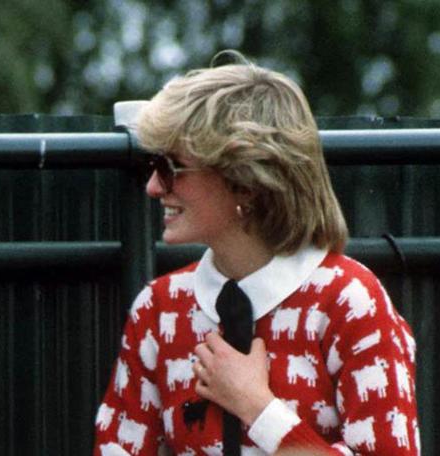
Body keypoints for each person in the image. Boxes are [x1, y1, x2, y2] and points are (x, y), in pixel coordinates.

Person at [94, 52, 420, 455]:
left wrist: (257, 408)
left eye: (172, 167)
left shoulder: (349, 303)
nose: (153, 188)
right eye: (152, 165)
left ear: (245, 182)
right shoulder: (158, 310)